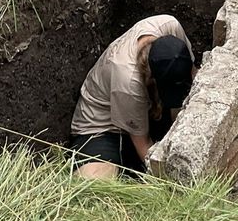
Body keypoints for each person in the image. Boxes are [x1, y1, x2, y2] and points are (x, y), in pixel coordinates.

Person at [70, 15, 195, 178]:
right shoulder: (128, 82)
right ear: (152, 78)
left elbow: (194, 73)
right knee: (96, 182)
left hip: (146, 108)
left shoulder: (170, 26)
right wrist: (167, 183)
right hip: (104, 128)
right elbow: (143, 146)